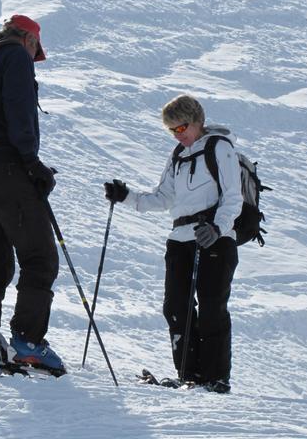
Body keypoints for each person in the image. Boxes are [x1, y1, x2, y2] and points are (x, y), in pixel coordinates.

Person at [104, 94, 241, 393]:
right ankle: (189, 374)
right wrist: (126, 196)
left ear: (197, 122)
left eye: (181, 128)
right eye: (172, 130)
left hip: (215, 238)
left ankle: (216, 378)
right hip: (180, 239)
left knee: (211, 306)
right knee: (176, 307)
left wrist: (218, 227)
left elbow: (233, 197)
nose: (178, 135)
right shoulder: (177, 156)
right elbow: (163, 198)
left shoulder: (221, 148)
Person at [0, 14, 64, 374]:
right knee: (40, 258)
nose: (34, 56)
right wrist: (32, 163)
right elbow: (19, 111)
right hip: (7, 171)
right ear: (29, 40)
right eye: (36, 50)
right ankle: (29, 342)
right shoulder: (15, 57)